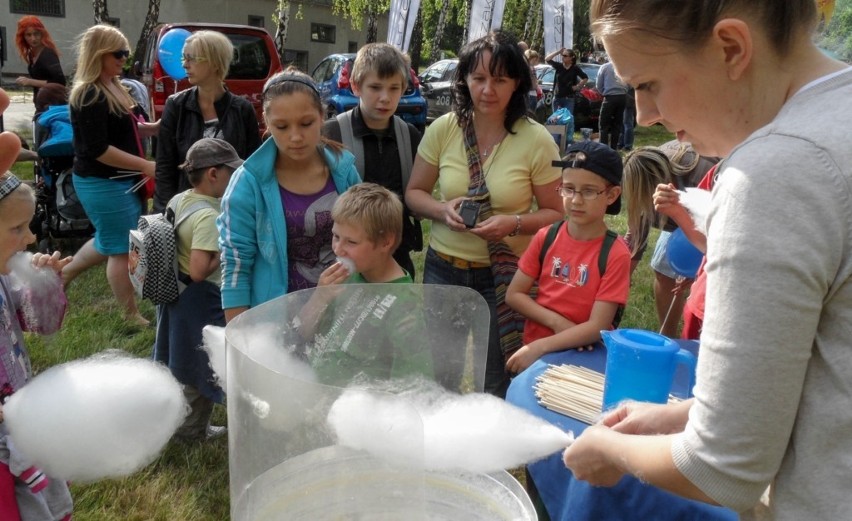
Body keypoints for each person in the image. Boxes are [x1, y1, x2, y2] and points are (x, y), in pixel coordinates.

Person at [562, 2, 852, 518]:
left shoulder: (777, 171)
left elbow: (722, 467)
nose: (644, 113)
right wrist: (677, 417)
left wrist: (612, 450)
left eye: (647, 83)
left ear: (731, 49)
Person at [405, 30, 563, 397]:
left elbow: (557, 213)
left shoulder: (536, 139)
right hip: (444, 268)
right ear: (464, 81)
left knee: (497, 374)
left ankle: (490, 450)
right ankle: (442, 446)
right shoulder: (444, 129)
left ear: (517, 84)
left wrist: (514, 223)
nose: (487, 89)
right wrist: (443, 210)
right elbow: (414, 194)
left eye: (499, 79)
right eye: (478, 78)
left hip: (507, 275)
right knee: (441, 372)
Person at [218, 69, 361, 323]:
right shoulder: (247, 183)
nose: (295, 137)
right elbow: (235, 266)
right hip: (274, 322)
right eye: (281, 127)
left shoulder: (344, 170)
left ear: (322, 116)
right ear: (266, 123)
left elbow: (368, 236)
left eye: (306, 123)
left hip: (343, 316)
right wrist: (238, 337)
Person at [62, 25, 159, 326]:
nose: (124, 59)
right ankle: (129, 315)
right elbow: (99, 150)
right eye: (118, 53)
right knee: (119, 248)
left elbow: (125, 129)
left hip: (118, 180)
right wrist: (145, 166)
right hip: (102, 181)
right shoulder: (89, 93)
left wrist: (152, 128)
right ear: (99, 54)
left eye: (126, 53)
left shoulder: (114, 85)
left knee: (110, 239)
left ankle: (64, 274)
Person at [505, 141, 630, 374]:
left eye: (589, 191)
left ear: (612, 195)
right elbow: (514, 294)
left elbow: (597, 327)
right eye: (568, 189)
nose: (576, 200)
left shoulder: (615, 253)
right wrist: (557, 323)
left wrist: (541, 346)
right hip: (535, 354)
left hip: (583, 359)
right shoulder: (546, 237)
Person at [153, 138, 240, 441]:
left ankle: (179, 423)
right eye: (232, 172)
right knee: (200, 363)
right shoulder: (208, 216)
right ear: (213, 174)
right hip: (199, 299)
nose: (235, 178)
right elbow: (200, 270)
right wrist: (227, 248)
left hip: (177, 294)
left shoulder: (181, 199)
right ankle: (190, 431)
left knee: (182, 358)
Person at [303, 183, 432, 385]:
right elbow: (303, 333)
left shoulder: (405, 306)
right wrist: (320, 297)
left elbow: (415, 383)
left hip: (360, 409)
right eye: (336, 236)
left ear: (385, 242)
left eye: (351, 242)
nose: (338, 250)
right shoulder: (345, 278)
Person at [0, 173, 74, 521]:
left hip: (20, 420)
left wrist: (44, 285)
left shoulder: (4, 277)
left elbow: (39, 323)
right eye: (18, 228)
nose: (30, 238)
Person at [321, 43, 423, 279]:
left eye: (394, 88)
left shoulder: (410, 136)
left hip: (395, 256)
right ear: (356, 86)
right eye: (375, 87)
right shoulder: (332, 134)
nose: (385, 98)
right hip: (346, 257)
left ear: (404, 88)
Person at [153, 30, 261, 213]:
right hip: (186, 210)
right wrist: (165, 212)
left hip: (232, 211)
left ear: (214, 61)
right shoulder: (176, 106)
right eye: (183, 58)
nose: (185, 65)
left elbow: (253, 167)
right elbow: (164, 167)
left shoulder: (242, 109)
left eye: (191, 58)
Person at [622, 142, 718, 337]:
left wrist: (695, 272)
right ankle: (667, 333)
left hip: (709, 224)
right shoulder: (643, 188)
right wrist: (622, 277)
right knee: (662, 267)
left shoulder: (701, 174)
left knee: (705, 282)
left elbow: (715, 240)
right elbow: (635, 238)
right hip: (679, 222)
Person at [14, 16, 66, 108]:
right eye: (28, 35)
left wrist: (30, 81)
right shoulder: (31, 53)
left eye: (36, 34)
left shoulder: (48, 53)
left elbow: (60, 82)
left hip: (53, 104)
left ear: (42, 34)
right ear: (23, 36)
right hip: (41, 103)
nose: (33, 38)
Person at [543, 48, 588, 115]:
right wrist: (558, 52)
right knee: (556, 120)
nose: (563, 57)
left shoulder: (575, 68)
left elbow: (585, 78)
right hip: (557, 98)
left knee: (567, 119)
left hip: (569, 98)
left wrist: (578, 86)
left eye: (565, 56)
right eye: (562, 55)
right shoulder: (559, 66)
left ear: (571, 58)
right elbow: (547, 59)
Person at [595, 59, 627, 149]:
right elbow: (629, 83)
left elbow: (599, 84)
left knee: (603, 124)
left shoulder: (605, 67)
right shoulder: (624, 66)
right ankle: (614, 148)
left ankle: (603, 148)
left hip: (610, 97)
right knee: (617, 124)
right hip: (622, 97)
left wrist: (604, 93)